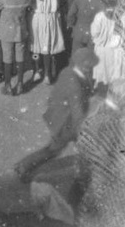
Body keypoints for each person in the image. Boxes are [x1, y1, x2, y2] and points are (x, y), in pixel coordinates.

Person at [14, 48, 98, 182]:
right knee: (53, 150)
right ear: (83, 64)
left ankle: (23, 165)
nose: (91, 69)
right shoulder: (75, 84)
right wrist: (83, 130)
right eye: (89, 66)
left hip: (59, 118)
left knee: (55, 149)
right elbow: (77, 111)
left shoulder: (67, 72)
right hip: (66, 125)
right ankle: (24, 166)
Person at [28, 0, 77, 84]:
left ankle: (36, 71)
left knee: (36, 46)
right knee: (47, 47)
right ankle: (47, 75)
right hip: (51, 18)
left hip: (37, 17)